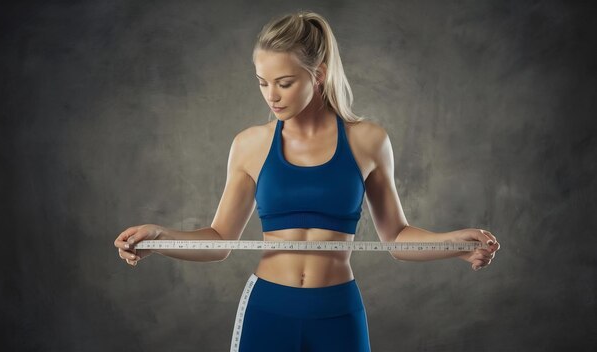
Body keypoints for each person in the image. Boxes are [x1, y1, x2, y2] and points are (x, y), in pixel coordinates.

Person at [114, 10, 501, 352]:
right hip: (267, 311)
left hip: (338, 313)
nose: (271, 96)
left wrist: (454, 244)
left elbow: (397, 238)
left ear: (318, 75)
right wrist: (162, 239)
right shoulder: (249, 145)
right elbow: (219, 241)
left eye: (283, 82)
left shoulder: (368, 141)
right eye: (262, 82)